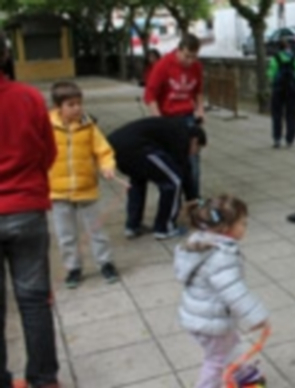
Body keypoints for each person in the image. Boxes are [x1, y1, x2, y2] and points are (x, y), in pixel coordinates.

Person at [0, 32, 61, 388]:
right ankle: (43, 379)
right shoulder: (29, 98)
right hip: (27, 210)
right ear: (6, 54)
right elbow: (48, 152)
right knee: (34, 300)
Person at [175, 194, 269, 388]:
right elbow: (234, 290)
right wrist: (257, 316)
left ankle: (242, 374)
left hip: (200, 317)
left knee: (231, 344)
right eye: (243, 223)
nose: (246, 227)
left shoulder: (200, 242)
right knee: (216, 361)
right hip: (210, 322)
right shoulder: (222, 256)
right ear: (226, 228)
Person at [48, 81, 120, 289]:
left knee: (97, 231)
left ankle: (105, 263)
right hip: (57, 192)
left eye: (79, 103)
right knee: (65, 235)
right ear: (58, 106)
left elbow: (104, 151)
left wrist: (107, 166)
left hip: (86, 189)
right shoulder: (47, 126)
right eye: (71, 104)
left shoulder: (89, 127)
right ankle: (73, 268)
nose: (77, 108)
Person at [107, 117, 204, 240]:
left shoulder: (176, 129)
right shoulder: (182, 137)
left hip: (113, 147)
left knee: (138, 180)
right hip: (136, 147)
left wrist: (191, 197)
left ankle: (133, 226)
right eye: (198, 149)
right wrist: (192, 198)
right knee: (173, 181)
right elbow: (183, 169)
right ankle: (165, 228)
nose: (195, 153)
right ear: (195, 140)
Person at [144, 34, 204, 200]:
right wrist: (159, 121)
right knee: (173, 162)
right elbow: (150, 95)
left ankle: (194, 199)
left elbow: (198, 91)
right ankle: (174, 200)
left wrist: (200, 109)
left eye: (194, 57)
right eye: (186, 56)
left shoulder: (196, 67)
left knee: (193, 160)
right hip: (168, 118)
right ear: (179, 50)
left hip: (188, 117)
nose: (190, 61)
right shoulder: (163, 65)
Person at [267, 39, 295, 148]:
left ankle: (277, 138)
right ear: (289, 47)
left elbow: (271, 74)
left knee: (277, 114)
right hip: (292, 89)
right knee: (292, 114)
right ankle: (290, 138)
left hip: (278, 89)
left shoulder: (275, 59)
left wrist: (274, 81)